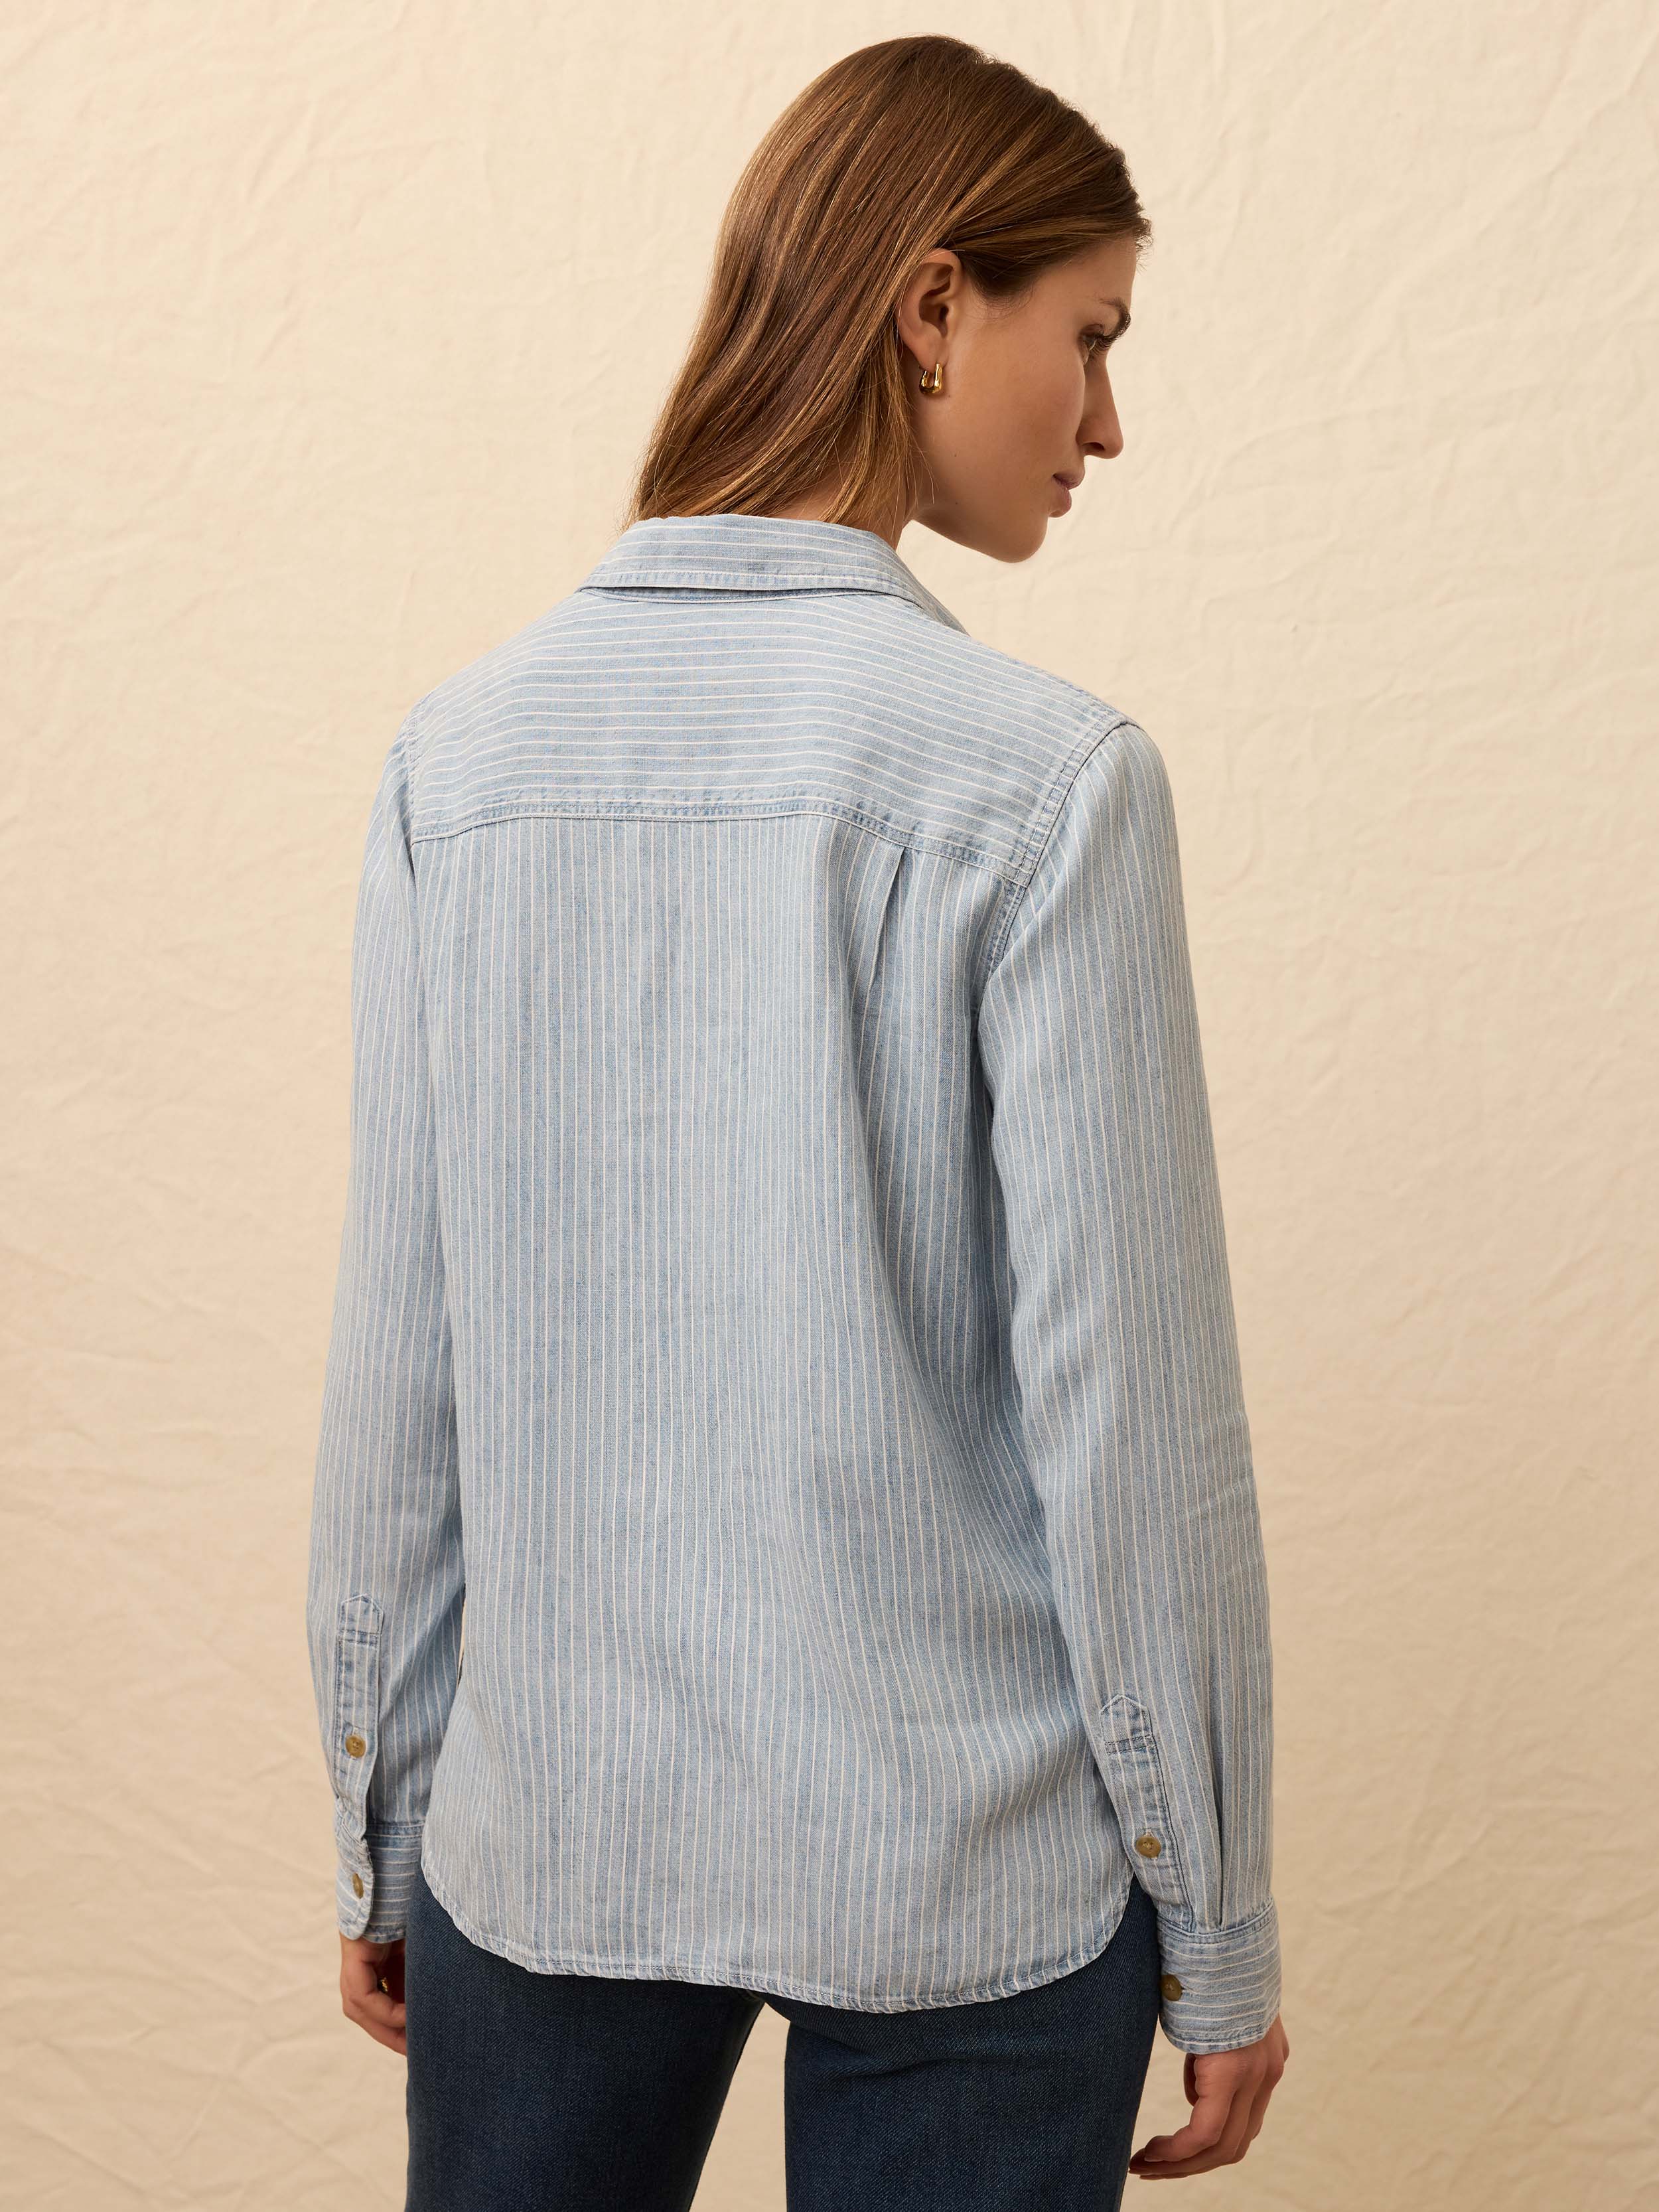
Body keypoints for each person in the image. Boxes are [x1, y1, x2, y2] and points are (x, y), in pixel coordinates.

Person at [306, 32, 1289, 2209]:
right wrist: (1214, 1930)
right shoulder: (1039, 783)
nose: (1109, 418)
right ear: (933, 305)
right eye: (1091, 336)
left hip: (550, 1841)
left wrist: (386, 1809)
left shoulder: (455, 766)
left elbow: (404, 1366)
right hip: (974, 1874)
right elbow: (1131, 1427)